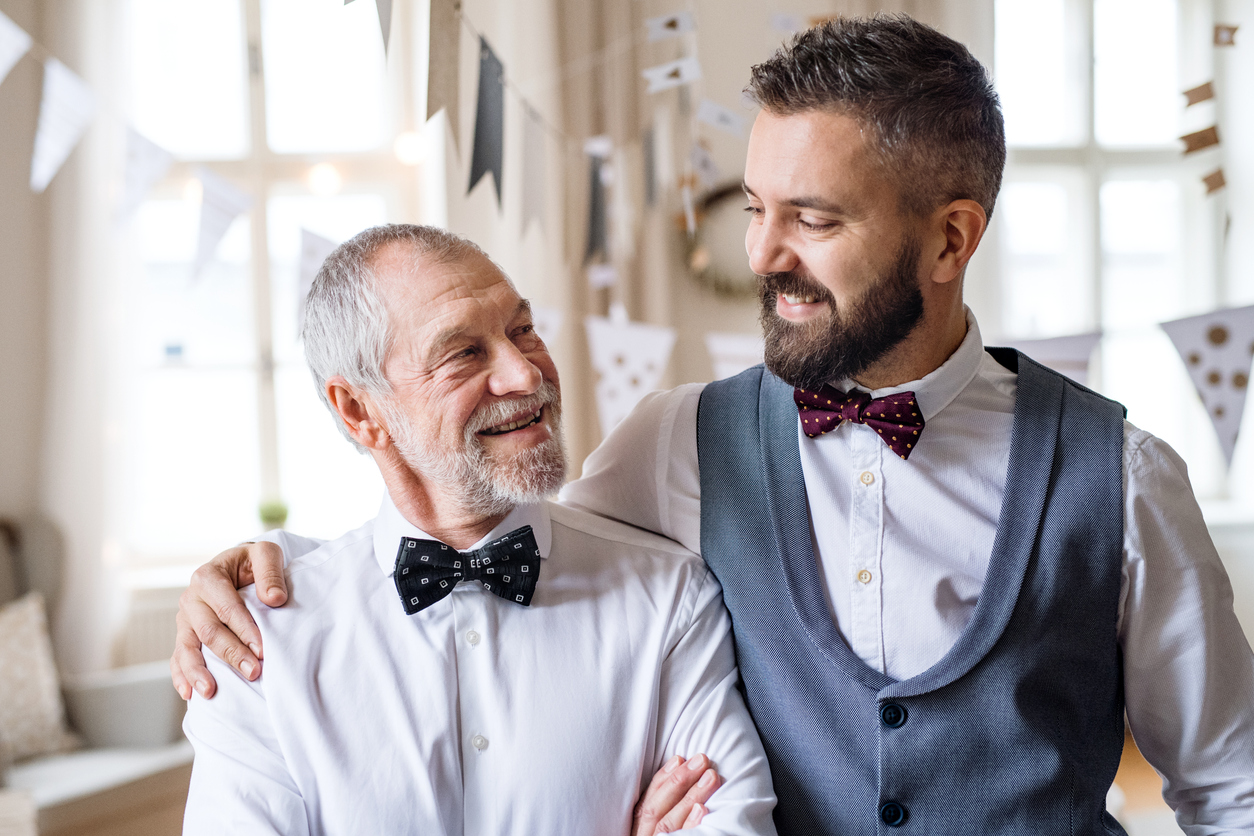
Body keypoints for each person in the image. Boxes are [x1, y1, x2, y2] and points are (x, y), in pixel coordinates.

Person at [173, 15, 1254, 836]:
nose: (763, 254)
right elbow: (489, 536)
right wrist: (266, 574)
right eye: (754, 208)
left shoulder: (1122, 472)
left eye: (813, 219)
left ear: (950, 239)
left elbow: (1231, 780)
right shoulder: (673, 443)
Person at [179, 224, 778, 835]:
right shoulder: (256, 641)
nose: (525, 375)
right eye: (463, 353)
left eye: (523, 331)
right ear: (359, 411)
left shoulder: (670, 599)